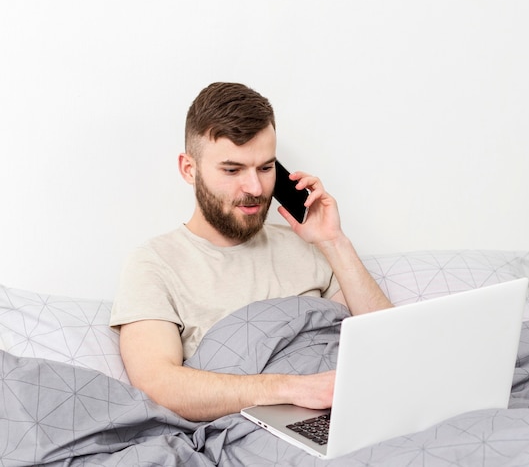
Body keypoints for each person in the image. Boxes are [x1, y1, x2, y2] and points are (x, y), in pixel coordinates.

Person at [110, 82, 392, 422]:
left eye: (265, 167)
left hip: (357, 416)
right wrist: (293, 389)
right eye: (232, 170)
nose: (255, 189)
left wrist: (333, 241)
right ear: (189, 169)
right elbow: (159, 384)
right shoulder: (154, 263)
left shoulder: (308, 245)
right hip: (265, 429)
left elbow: (390, 343)